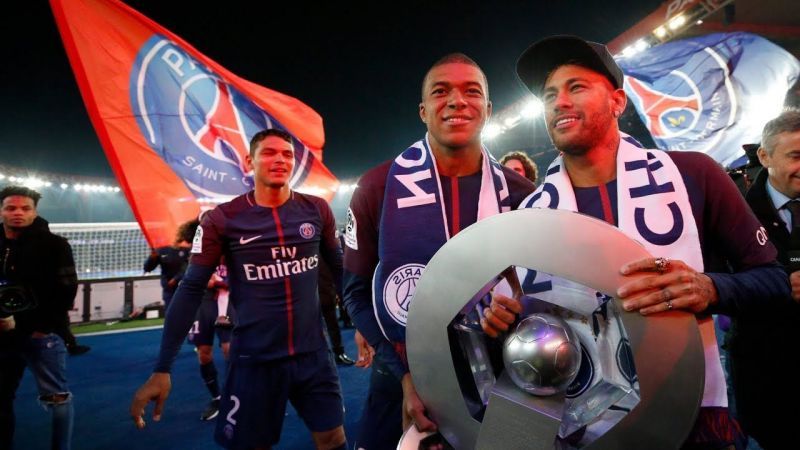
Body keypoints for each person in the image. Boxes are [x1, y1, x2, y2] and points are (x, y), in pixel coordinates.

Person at [481, 35, 791, 449]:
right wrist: (501, 322)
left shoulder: (693, 174)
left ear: (617, 102)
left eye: (576, 87)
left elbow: (773, 281)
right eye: (550, 94)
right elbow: (518, 326)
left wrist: (709, 288)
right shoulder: (527, 216)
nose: (559, 102)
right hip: (576, 422)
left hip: (690, 418)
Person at [343, 53, 536, 449]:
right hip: (401, 375)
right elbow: (355, 293)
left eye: (472, 91)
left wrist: (521, 306)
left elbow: (547, 292)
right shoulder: (377, 187)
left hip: (502, 374)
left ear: (488, 108)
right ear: (423, 110)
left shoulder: (522, 195)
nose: (456, 100)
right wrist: (404, 375)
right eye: (441, 91)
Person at [130, 128, 348, 450]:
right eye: (270, 153)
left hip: (313, 356)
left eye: (287, 154)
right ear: (249, 161)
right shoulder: (222, 219)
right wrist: (163, 367)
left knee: (332, 438)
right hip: (254, 360)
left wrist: (366, 327)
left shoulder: (316, 210)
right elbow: (190, 289)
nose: (280, 160)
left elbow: (342, 271)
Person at [728, 109, 800, 449]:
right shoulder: (732, 208)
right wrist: (780, 285)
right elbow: (715, 278)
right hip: (766, 370)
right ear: (764, 155)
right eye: (796, 156)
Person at [0, 185, 78, 450]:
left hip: (41, 335)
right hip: (3, 336)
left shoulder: (55, 245)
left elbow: (67, 291)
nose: (18, 213)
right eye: (11, 208)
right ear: (1, 211)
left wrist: (41, 327)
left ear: (35, 212)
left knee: (56, 398)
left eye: (25, 208)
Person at [187, 261, 233, 422]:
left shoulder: (234, 247)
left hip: (227, 302)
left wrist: (218, 281)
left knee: (230, 349)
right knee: (203, 354)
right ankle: (217, 398)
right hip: (202, 304)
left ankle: (236, 395)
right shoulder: (200, 251)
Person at [142, 219, 196, 310]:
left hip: (186, 285)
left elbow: (189, 265)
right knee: (171, 313)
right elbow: (148, 268)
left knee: (188, 313)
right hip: (169, 289)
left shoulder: (187, 248)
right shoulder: (161, 249)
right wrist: (152, 258)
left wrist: (176, 278)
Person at [318, 257, 355, 366]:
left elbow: (337, 269)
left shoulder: (326, 249)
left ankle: (339, 353)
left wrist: (338, 291)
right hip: (309, 298)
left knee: (332, 324)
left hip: (327, 292)